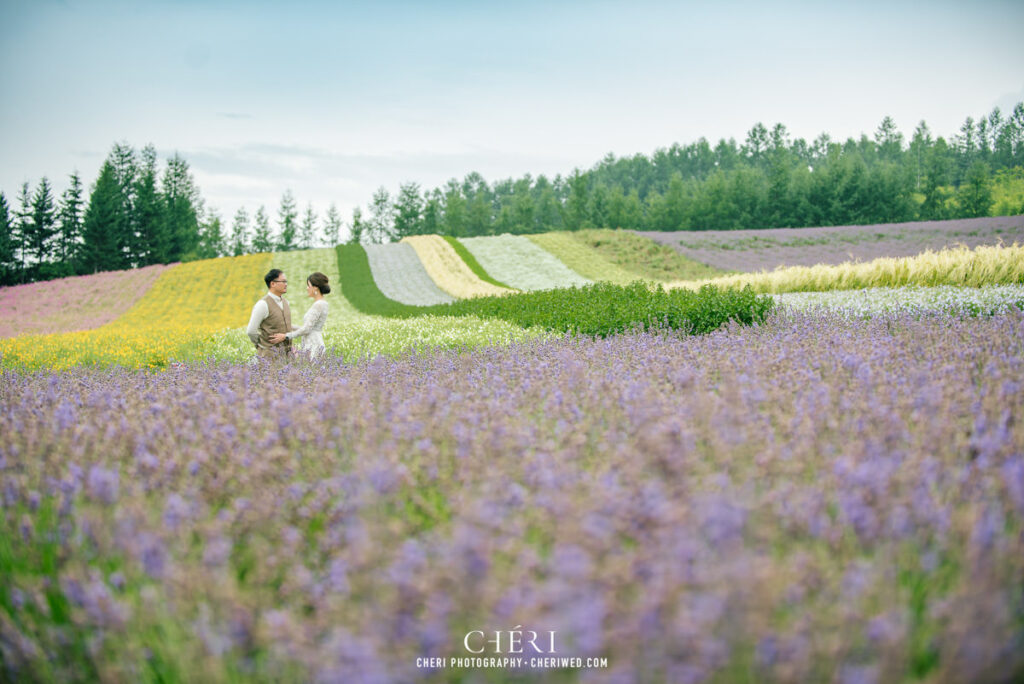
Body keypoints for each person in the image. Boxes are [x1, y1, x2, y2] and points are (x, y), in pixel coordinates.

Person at [269, 272, 330, 361]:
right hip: (314, 342)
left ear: (315, 287)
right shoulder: (323, 303)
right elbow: (308, 328)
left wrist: (285, 336)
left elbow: (306, 329)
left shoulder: (318, 305)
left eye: (308, 285)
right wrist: (288, 326)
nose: (307, 288)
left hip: (313, 345)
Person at [247, 269, 292, 360]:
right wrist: (262, 345)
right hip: (270, 357)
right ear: (272, 284)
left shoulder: (286, 302)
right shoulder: (262, 304)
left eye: (286, 281)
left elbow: (285, 325)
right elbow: (251, 331)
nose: (286, 284)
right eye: (283, 281)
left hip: (288, 355)